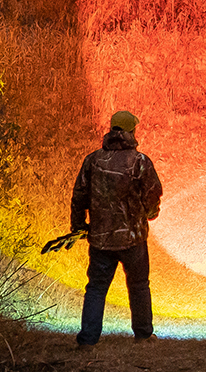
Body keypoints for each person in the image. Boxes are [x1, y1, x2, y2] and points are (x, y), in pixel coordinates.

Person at [70, 109, 164, 346]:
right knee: (139, 285)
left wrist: (79, 226)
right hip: (133, 238)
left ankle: (88, 340)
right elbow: (153, 193)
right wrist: (150, 214)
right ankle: (143, 335)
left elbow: (79, 195)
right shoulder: (139, 161)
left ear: (112, 130)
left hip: (100, 239)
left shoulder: (93, 160)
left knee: (96, 288)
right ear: (131, 131)